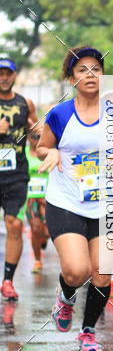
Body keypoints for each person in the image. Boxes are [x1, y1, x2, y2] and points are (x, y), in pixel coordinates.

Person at [37, 46, 113, 351]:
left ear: (103, 75)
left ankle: (87, 333)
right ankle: (65, 296)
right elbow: (41, 148)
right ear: (71, 77)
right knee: (77, 270)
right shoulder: (60, 114)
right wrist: (54, 152)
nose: (89, 74)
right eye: (82, 69)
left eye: (95, 69)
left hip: (106, 204)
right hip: (67, 200)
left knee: (102, 272)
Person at [0, 56, 38, 300]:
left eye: (8, 74)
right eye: (0, 74)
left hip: (16, 173)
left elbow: (36, 136)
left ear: (14, 76)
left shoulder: (26, 103)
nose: (4, 78)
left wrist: (37, 133)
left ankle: (7, 281)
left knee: (14, 224)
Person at [18, 137, 50, 272]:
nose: (36, 140)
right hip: (30, 198)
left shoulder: (48, 151)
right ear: (28, 138)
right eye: (33, 137)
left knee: (48, 232)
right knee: (36, 228)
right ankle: (37, 261)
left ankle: (43, 239)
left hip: (48, 197)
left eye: (38, 137)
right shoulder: (23, 152)